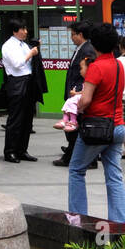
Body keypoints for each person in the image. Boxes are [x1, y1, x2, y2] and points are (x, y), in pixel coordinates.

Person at [67, 23, 125, 223]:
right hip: (118, 127)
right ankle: (121, 223)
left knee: (76, 170)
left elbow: (85, 100)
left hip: (96, 129)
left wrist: (74, 109)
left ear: (95, 44)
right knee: (114, 176)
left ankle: (78, 219)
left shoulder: (95, 67)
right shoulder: (119, 65)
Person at [53, 21, 95, 168]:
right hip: (73, 94)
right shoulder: (80, 49)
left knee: (75, 128)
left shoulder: (87, 50)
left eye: (73, 34)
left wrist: (77, 92)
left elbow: (87, 75)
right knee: (74, 128)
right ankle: (81, 157)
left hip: (78, 95)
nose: (71, 38)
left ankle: (74, 157)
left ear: (80, 35)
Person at [0, 18, 38, 162]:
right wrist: (30, 54)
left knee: (27, 118)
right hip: (16, 82)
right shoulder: (8, 46)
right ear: (15, 31)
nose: (26, 32)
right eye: (23, 29)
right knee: (15, 118)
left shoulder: (23, 45)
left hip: (28, 81)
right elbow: (17, 64)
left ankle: (22, 150)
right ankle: (10, 151)